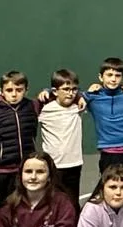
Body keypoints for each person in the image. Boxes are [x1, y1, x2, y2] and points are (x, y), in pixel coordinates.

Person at [0, 70, 39, 211]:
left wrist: (47, 91)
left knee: (26, 210)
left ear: (26, 90)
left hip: (26, 170)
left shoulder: (33, 106)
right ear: (2, 91)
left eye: (19, 90)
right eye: (9, 90)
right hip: (1, 172)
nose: (14, 94)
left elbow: (57, 93)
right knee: (1, 210)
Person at [36, 69, 86, 203]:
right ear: (55, 91)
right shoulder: (44, 108)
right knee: (52, 203)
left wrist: (80, 96)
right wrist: (46, 91)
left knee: (72, 204)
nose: (70, 93)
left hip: (75, 164)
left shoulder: (79, 105)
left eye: (74, 89)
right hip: (53, 165)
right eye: (66, 89)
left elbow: (94, 93)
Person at [84, 58, 123, 173]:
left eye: (117, 75)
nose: (113, 79)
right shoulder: (93, 96)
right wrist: (48, 91)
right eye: (109, 75)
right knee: (108, 183)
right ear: (101, 77)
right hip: (108, 151)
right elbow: (67, 95)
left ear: (122, 78)